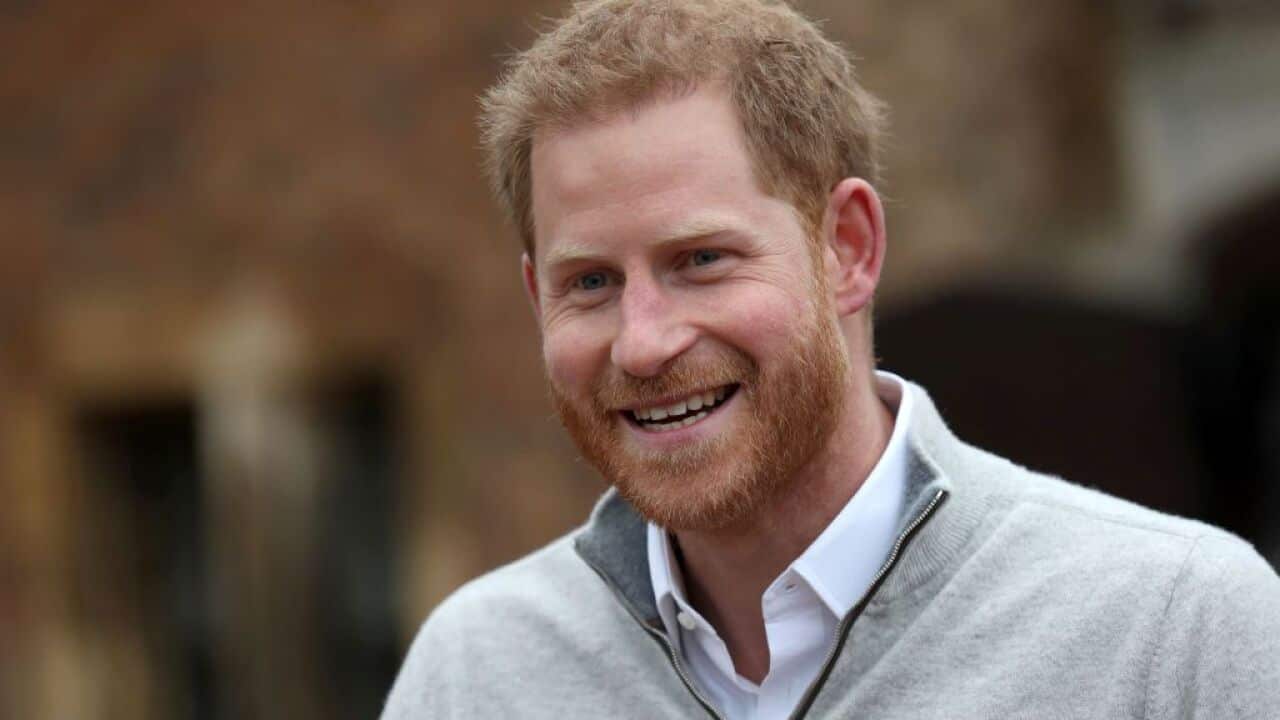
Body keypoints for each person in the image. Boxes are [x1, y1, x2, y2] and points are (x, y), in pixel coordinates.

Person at [381, 1, 1280, 717]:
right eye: (590, 283)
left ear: (847, 248)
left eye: (701, 260)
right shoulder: (473, 675)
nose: (644, 341)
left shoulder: (1176, 632)